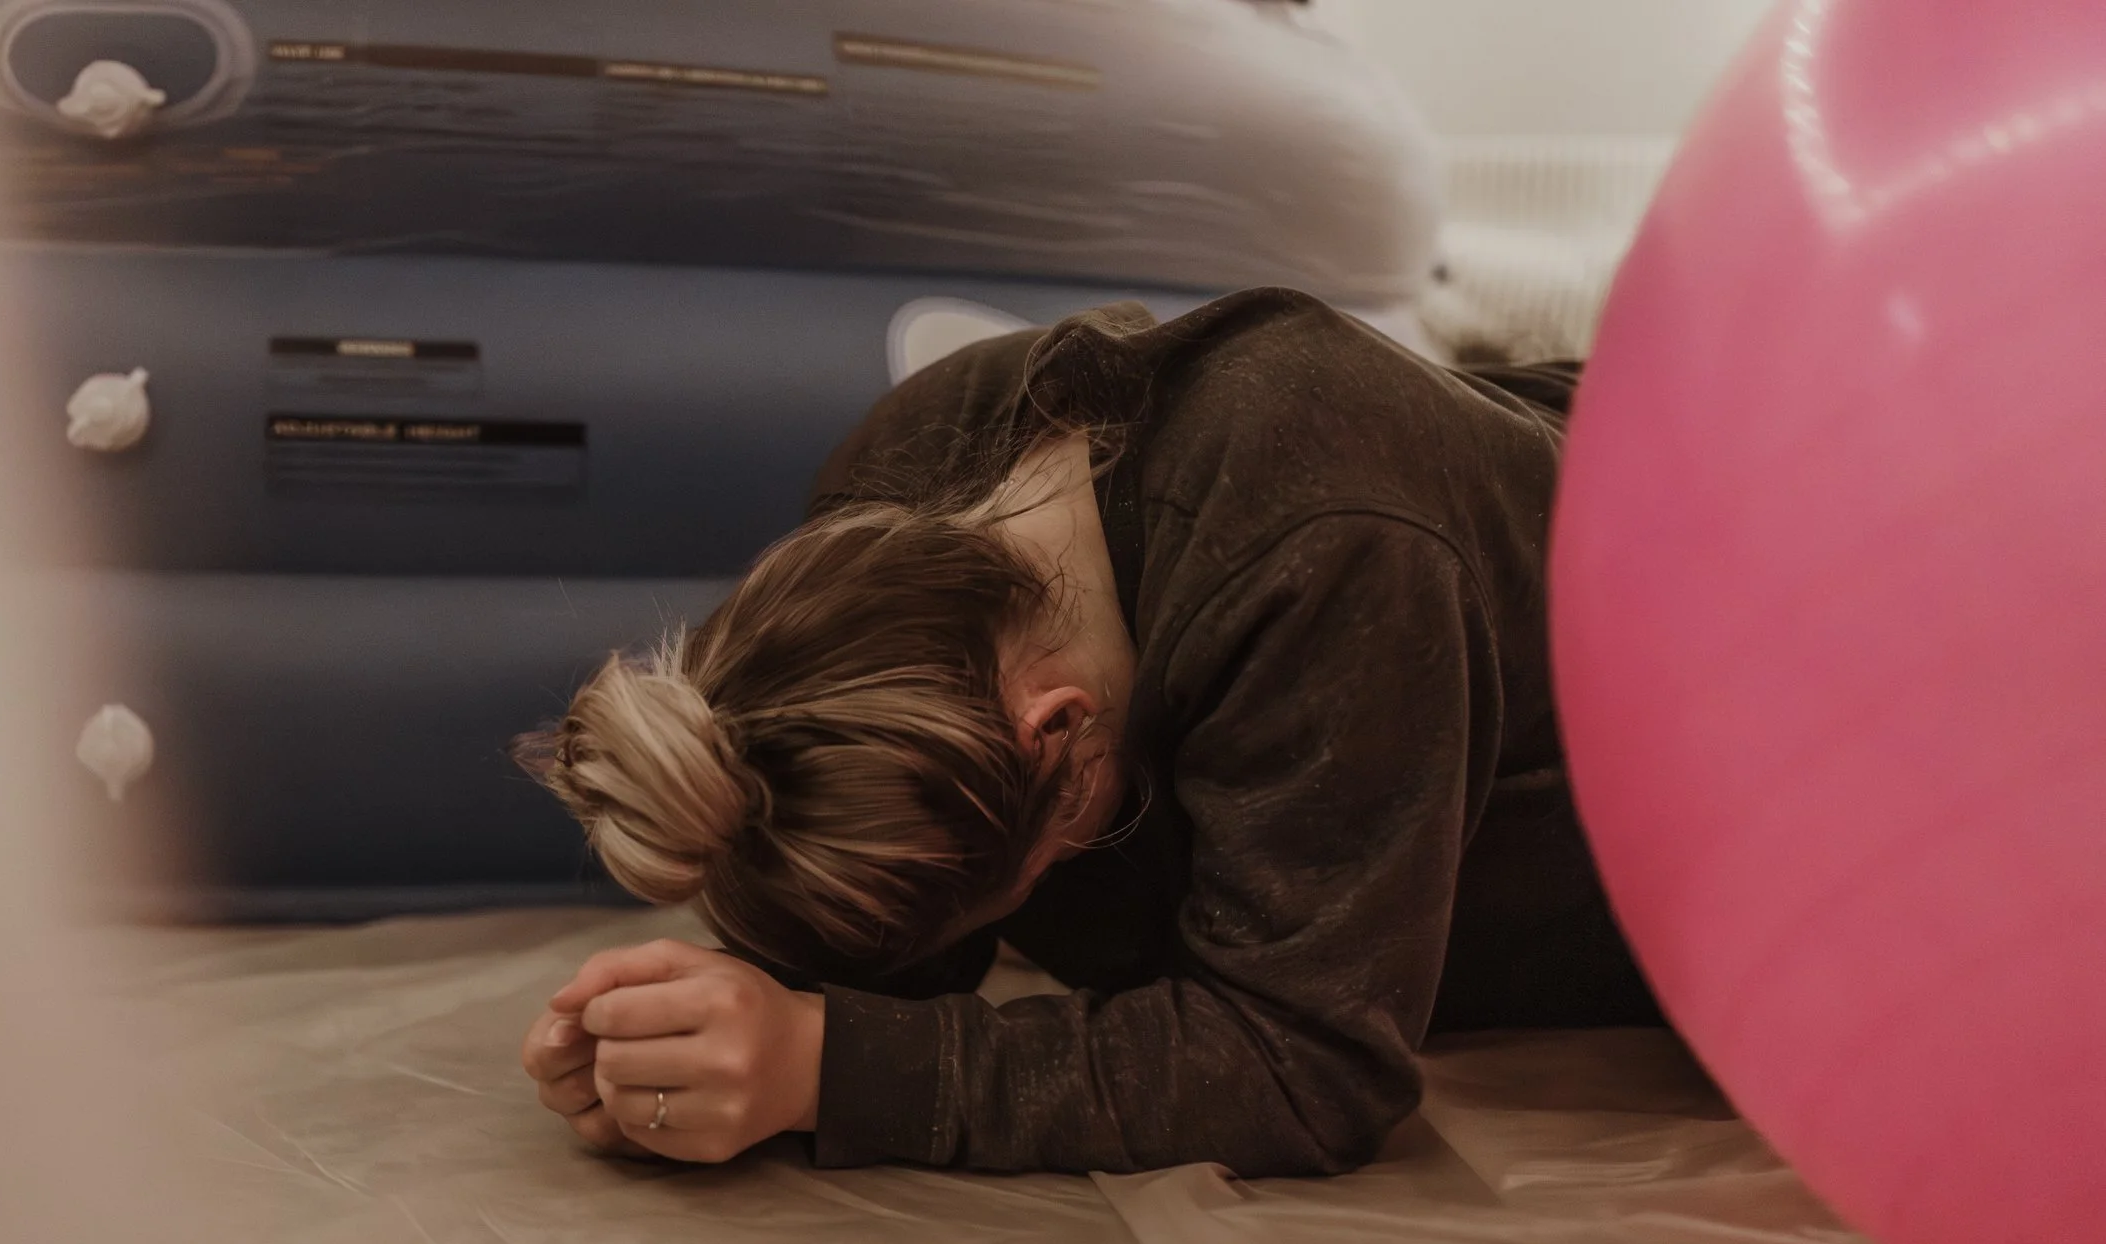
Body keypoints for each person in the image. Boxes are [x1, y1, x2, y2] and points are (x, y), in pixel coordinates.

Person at [518, 289, 1662, 1175]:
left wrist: (832, 1069)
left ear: (1056, 737)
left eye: (1032, 879)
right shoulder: (902, 477)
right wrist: (703, 1034)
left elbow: (1298, 1065)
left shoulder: (1321, 550)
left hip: (1711, 703)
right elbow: (891, 908)